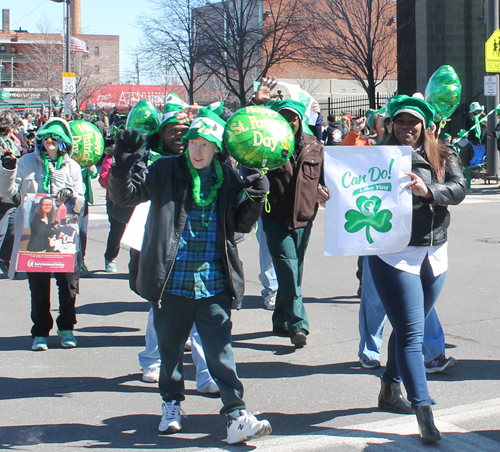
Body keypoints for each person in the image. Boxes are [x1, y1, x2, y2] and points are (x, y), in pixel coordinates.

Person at [108, 108, 272, 444]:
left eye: (205, 145)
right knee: (169, 352)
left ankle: (236, 415)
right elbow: (125, 197)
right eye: (193, 142)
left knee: (221, 352)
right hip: (172, 280)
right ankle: (171, 404)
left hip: (213, 280)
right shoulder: (165, 170)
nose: (197, 151)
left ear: (216, 149)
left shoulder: (226, 176)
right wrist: (122, 165)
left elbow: (240, 225)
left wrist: (256, 196)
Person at [367, 95, 466, 444]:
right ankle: (424, 410)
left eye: (413, 123)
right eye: (400, 122)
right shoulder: (373, 157)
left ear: (425, 126)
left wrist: (430, 191)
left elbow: (459, 189)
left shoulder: (444, 153)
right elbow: (345, 188)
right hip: (393, 253)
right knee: (412, 333)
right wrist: (327, 195)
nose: (407, 128)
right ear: (389, 125)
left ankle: (389, 386)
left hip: (434, 249)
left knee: (411, 325)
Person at [0, 118, 84, 351]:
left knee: (68, 285)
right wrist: (7, 169)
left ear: (64, 142)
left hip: (63, 235)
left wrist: (73, 196)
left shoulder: (72, 167)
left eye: (56, 138)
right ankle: (40, 331)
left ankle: (66, 327)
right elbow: (7, 193)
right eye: (47, 137)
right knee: (38, 287)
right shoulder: (26, 162)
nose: (51, 142)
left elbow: (81, 203)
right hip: (33, 233)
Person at [261, 100, 328, 348]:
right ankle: (298, 325)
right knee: (289, 269)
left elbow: (324, 177)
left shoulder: (314, 145)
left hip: (304, 218)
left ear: (300, 119)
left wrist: (322, 189)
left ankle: (280, 320)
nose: (289, 122)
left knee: (294, 272)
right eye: (284, 117)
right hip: (275, 218)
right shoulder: (266, 145)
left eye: (293, 118)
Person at [0, 112, 20, 275]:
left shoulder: (13, 141)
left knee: (12, 228)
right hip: (4, 190)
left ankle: (4, 259)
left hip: (10, 193)